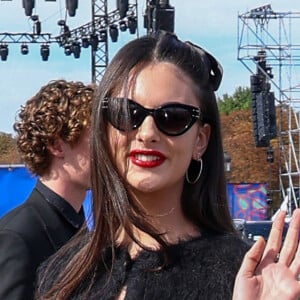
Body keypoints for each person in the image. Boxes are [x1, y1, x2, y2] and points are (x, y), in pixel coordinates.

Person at [36, 32, 300, 299]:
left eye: (172, 117)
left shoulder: (242, 275)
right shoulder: (61, 273)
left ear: (200, 140)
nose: (147, 133)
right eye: (128, 114)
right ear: (104, 129)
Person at [0, 79, 94, 300]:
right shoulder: (19, 237)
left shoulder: (79, 228)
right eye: (95, 140)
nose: (106, 150)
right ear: (57, 146)